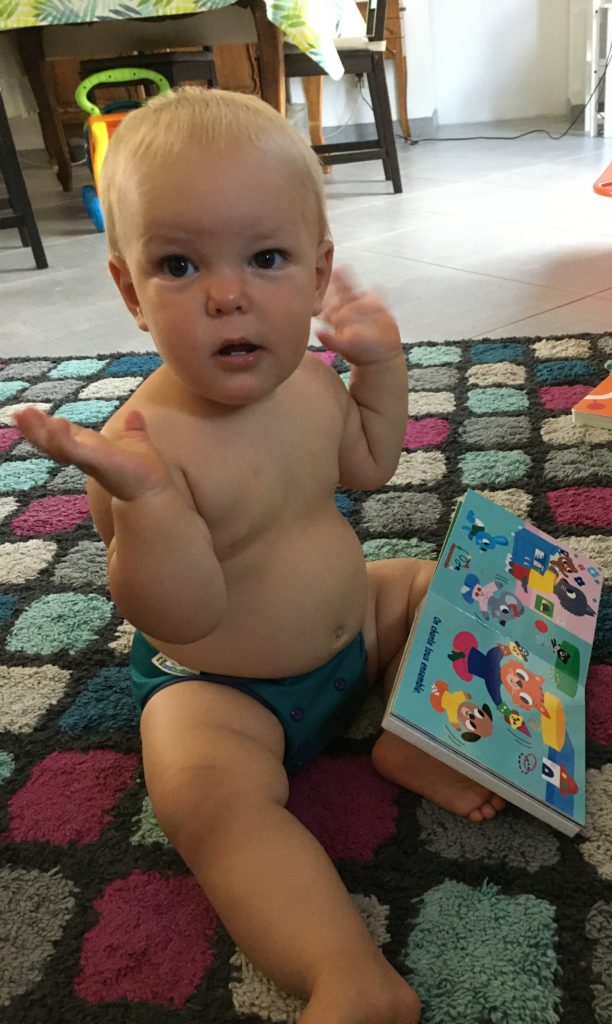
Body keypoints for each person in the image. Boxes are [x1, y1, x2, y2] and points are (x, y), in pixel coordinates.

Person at [14, 87, 505, 1024]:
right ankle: (346, 971)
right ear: (131, 291)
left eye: (266, 258)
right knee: (207, 804)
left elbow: (369, 463)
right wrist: (154, 507)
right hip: (223, 693)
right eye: (179, 264)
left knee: (437, 583)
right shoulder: (141, 451)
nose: (227, 294)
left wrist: (380, 368)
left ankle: (409, 737)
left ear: (318, 275)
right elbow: (183, 614)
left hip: (353, 631)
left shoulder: (313, 384)